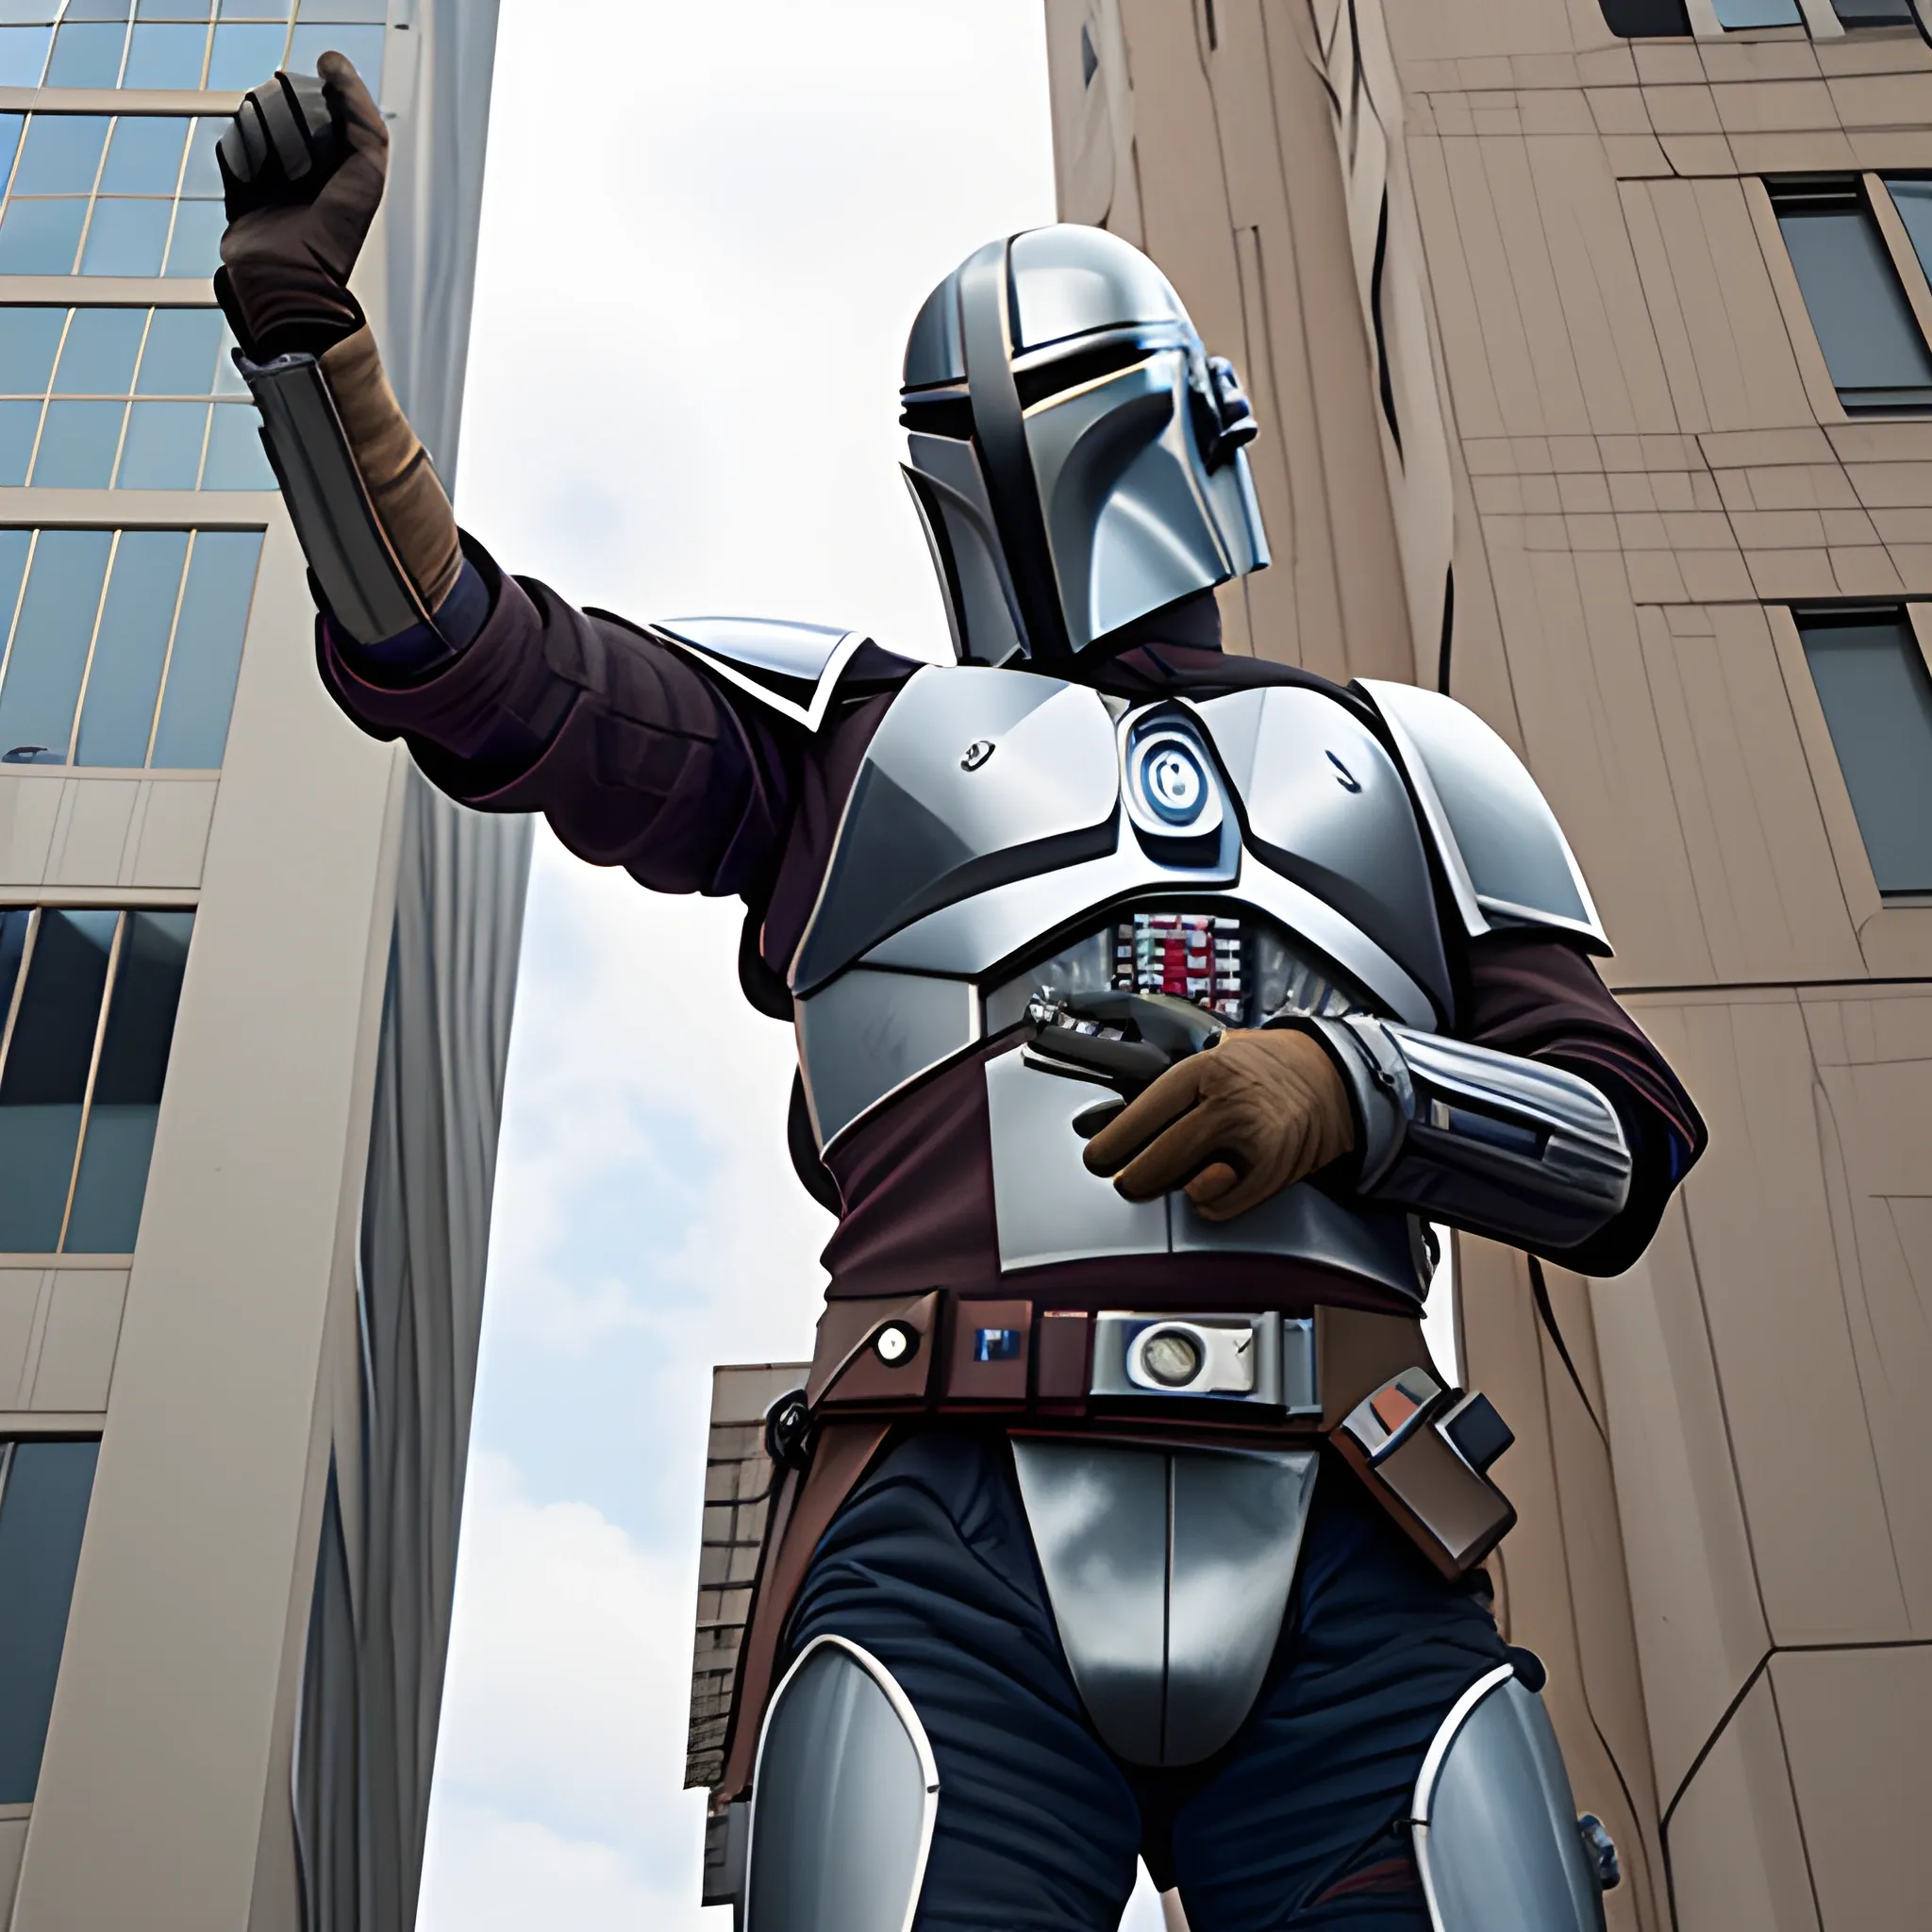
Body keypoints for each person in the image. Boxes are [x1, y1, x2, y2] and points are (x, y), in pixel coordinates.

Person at [217, 57, 1704, 1932]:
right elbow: (474, 663)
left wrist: (1351, 1090)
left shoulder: (1402, 764)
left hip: (1349, 1517)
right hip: (952, 1524)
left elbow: (1623, 1147)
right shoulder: (852, 739)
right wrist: (309, 337)